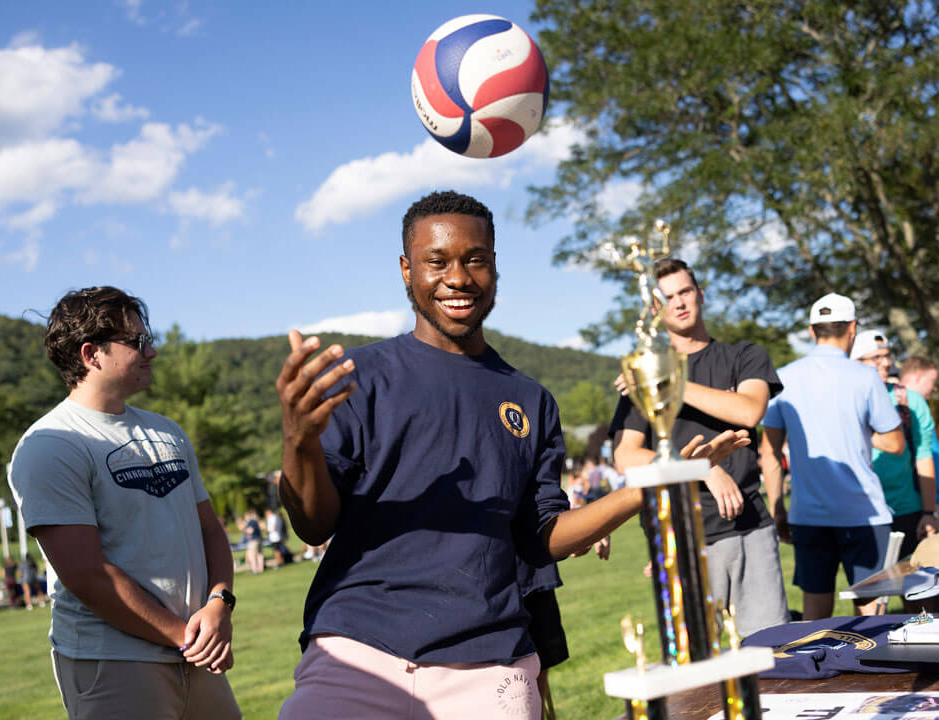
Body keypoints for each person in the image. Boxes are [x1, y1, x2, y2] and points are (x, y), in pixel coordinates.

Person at [275, 190, 745, 719]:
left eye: (474, 259)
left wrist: (650, 487)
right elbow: (313, 527)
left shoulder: (531, 400)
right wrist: (299, 441)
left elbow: (542, 536)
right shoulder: (359, 379)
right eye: (437, 261)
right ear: (407, 270)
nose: (458, 277)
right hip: (356, 653)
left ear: (494, 267)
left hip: (490, 663)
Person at [7, 286, 240, 720]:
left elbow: (209, 529)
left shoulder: (167, 431)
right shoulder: (50, 446)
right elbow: (88, 575)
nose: (151, 351)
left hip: (193, 651)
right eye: (136, 342)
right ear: (91, 354)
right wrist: (191, 638)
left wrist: (219, 603)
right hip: (115, 660)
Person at [615, 257, 790, 637]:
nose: (679, 303)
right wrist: (702, 467)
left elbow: (748, 410)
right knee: (696, 674)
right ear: (654, 310)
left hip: (749, 528)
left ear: (700, 295)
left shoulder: (744, 356)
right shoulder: (642, 374)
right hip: (682, 535)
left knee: (772, 657)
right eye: (667, 297)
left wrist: (670, 382)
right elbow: (625, 456)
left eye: (685, 292)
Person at [760, 293, 906, 620]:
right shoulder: (866, 377)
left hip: (808, 514)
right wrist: (857, 431)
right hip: (863, 512)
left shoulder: (782, 378)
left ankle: (816, 669)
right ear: (852, 329)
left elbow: (768, 454)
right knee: (872, 614)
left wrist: (776, 508)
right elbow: (896, 444)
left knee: (816, 613)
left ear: (812, 332)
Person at [852, 331, 938, 558]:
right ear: (855, 362)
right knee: (869, 590)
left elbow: (923, 455)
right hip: (861, 512)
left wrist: (929, 512)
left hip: (907, 509)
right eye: (876, 357)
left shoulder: (910, 400)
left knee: (918, 587)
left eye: (887, 355)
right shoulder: (843, 400)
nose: (886, 362)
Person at [900, 356, 939, 531]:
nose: (934, 387)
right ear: (917, 376)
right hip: (925, 504)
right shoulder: (903, 409)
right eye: (932, 381)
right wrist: (929, 509)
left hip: (937, 501)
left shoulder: (919, 406)